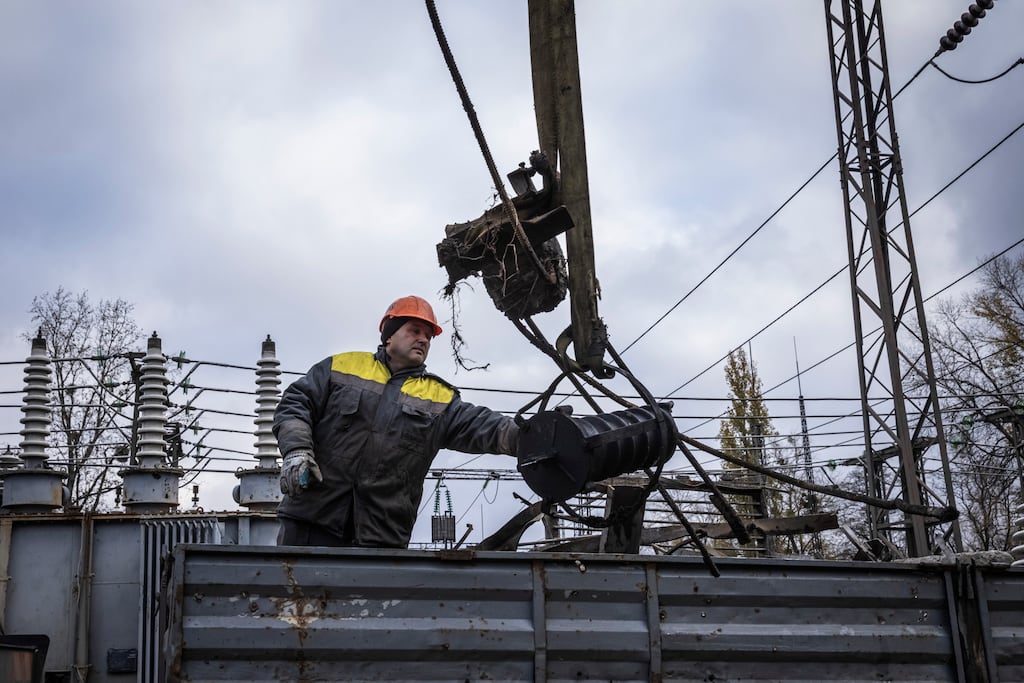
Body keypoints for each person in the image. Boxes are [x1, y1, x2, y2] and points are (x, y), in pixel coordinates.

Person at [273, 295, 519, 548]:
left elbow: (486, 427)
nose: (423, 339)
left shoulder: (440, 398)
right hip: (311, 522)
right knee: (297, 588)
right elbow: (296, 403)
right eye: (415, 330)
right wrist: (297, 450)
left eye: (428, 336)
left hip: (380, 537)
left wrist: (532, 437)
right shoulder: (341, 367)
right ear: (389, 334)